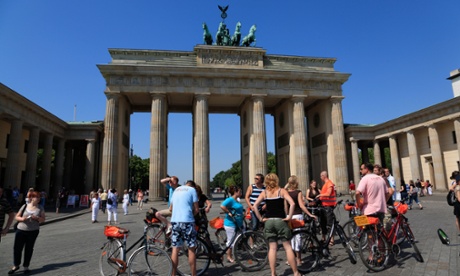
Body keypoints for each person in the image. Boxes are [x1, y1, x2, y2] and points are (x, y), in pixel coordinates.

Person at [252, 173, 301, 276]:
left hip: (269, 221)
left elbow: (255, 206)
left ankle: (273, 273)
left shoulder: (264, 192)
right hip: (280, 220)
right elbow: (292, 203)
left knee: (272, 248)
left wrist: (261, 219)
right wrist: (289, 216)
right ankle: (296, 273)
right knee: (287, 247)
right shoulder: (281, 191)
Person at [9, 191, 46, 274]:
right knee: (17, 248)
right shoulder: (25, 206)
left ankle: (26, 266)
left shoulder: (40, 208)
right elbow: (17, 217)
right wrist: (23, 219)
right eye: (37, 197)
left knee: (29, 249)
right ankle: (16, 265)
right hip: (21, 230)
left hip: (33, 231)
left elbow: (43, 220)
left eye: (39, 197)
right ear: (31, 198)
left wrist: (37, 218)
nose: (39, 199)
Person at [285, 176, 317, 266]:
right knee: (298, 237)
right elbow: (302, 206)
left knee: (290, 238)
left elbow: (285, 206)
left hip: (289, 216)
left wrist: (287, 216)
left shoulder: (286, 193)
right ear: (296, 183)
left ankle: (290, 260)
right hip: (298, 216)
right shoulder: (298, 192)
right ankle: (298, 259)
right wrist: (310, 214)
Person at [169, 180, 199, 276]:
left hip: (175, 221)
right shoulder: (192, 190)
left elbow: (170, 209)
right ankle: (193, 274)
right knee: (191, 249)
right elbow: (197, 209)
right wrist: (192, 215)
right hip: (187, 221)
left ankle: (173, 274)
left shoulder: (176, 190)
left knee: (175, 249)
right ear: (193, 186)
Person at [220, 185, 244, 263]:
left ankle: (237, 252)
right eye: (240, 191)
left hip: (238, 223)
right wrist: (229, 212)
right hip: (231, 223)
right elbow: (222, 206)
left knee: (241, 237)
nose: (241, 193)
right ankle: (228, 256)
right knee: (231, 241)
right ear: (235, 192)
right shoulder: (230, 199)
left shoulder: (237, 200)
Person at [316, 171, 337, 245]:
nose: (320, 177)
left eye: (321, 176)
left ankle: (332, 239)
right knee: (323, 222)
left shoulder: (329, 183)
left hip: (328, 206)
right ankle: (323, 238)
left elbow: (328, 194)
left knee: (329, 223)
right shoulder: (325, 184)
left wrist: (320, 195)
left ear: (324, 176)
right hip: (323, 206)